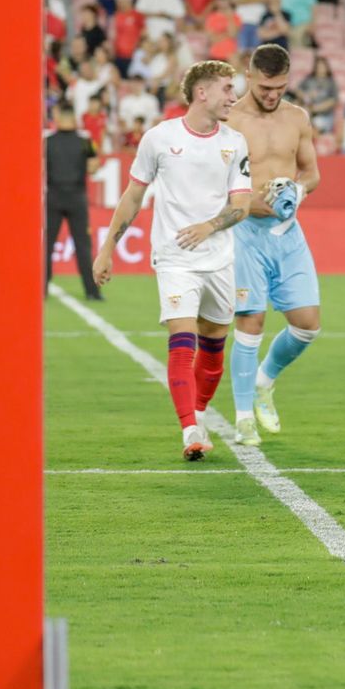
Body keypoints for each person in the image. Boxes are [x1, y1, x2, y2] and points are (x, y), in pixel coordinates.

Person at [93, 61, 252, 460]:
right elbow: (133, 196)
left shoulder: (235, 141)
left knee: (214, 344)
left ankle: (197, 412)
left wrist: (209, 226)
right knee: (182, 343)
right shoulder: (159, 139)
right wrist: (107, 248)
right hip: (174, 258)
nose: (234, 96)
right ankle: (190, 430)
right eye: (227, 88)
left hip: (218, 258)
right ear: (202, 92)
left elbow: (242, 205)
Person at [224, 45, 323, 445]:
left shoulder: (296, 117)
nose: (272, 94)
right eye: (265, 87)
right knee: (251, 322)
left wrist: (296, 191)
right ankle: (244, 416)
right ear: (248, 76)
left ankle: (264, 382)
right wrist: (243, 202)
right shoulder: (229, 118)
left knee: (307, 324)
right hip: (243, 231)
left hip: (287, 232)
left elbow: (312, 172)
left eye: (279, 87)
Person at [44, 102, 103, 301]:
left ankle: (41, 288)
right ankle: (92, 291)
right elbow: (94, 167)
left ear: (58, 117)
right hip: (77, 197)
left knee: (46, 245)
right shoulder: (84, 141)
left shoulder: (47, 142)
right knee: (83, 246)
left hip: (53, 196)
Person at [298, 57, 338, 135]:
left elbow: (333, 100)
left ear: (327, 67)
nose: (320, 68)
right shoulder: (309, 79)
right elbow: (298, 90)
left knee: (314, 127)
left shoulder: (331, 82)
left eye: (322, 66)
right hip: (307, 111)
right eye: (318, 66)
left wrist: (315, 109)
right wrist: (306, 96)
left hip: (324, 116)